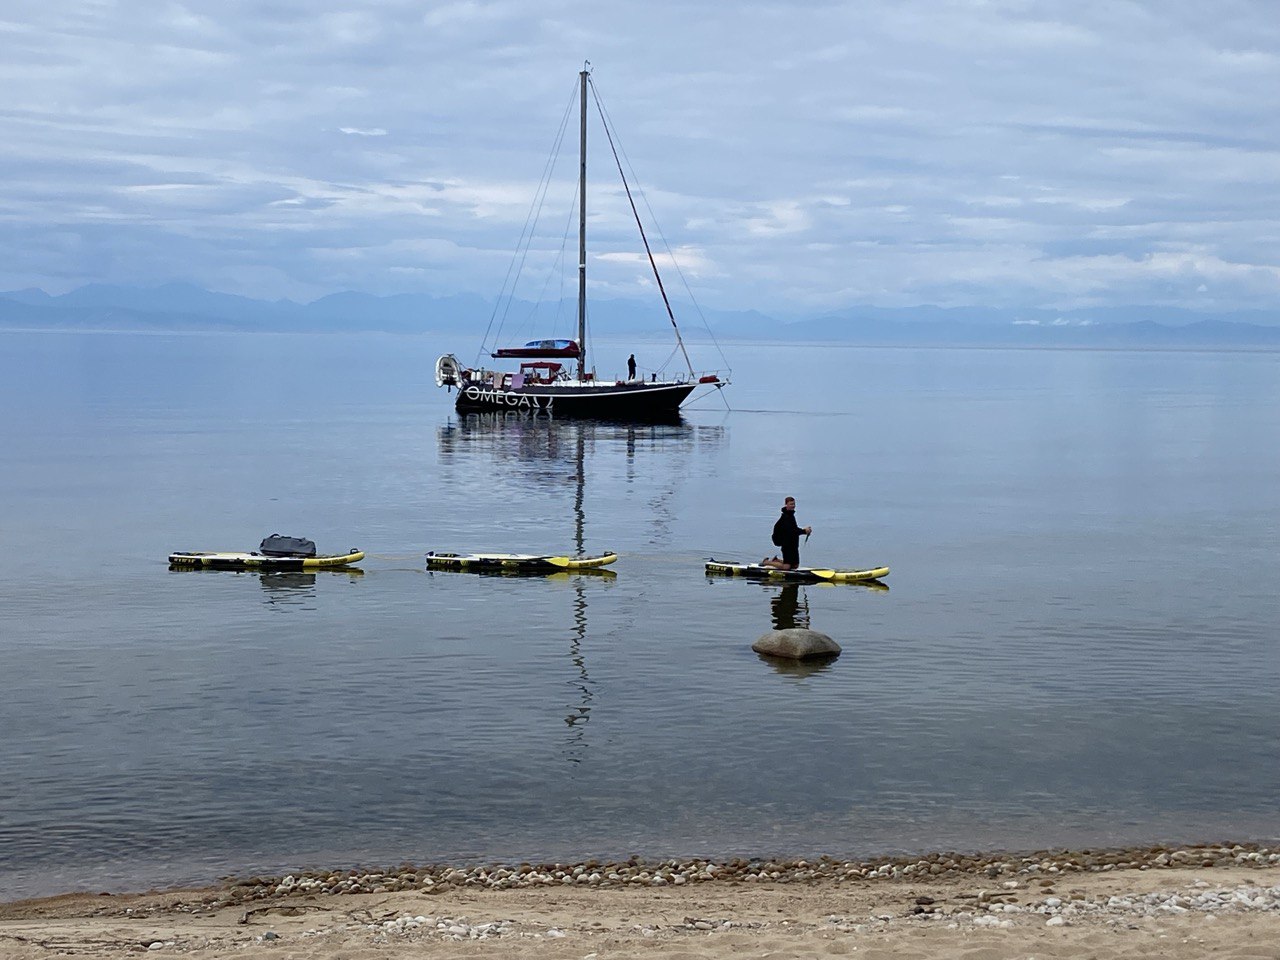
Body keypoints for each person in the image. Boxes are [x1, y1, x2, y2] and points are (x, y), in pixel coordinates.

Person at [762, 496, 812, 570]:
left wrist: (804, 530)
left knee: (795, 566)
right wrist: (804, 531)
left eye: (794, 504)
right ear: (786, 505)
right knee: (787, 567)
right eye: (791, 504)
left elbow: (794, 529)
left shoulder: (791, 515)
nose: (793, 506)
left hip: (793, 544)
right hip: (786, 545)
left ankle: (776, 560)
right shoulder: (786, 517)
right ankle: (766, 562)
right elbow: (791, 531)